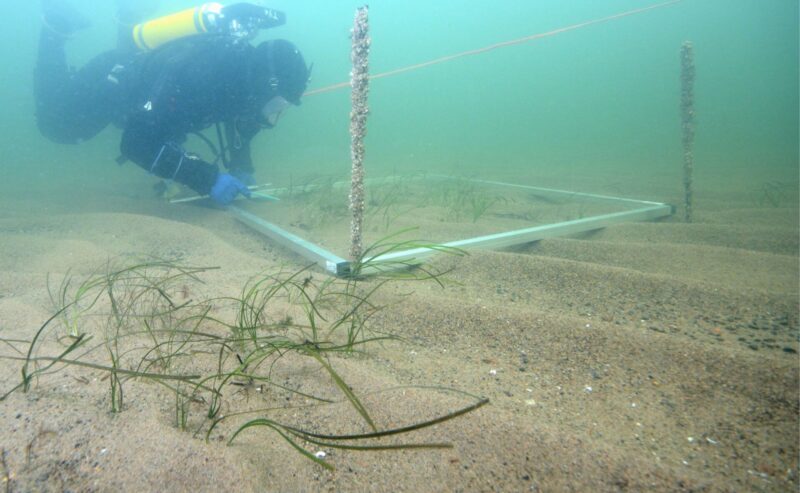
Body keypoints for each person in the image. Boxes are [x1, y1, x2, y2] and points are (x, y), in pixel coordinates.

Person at [35, 1, 310, 205]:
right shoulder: (202, 77)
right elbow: (136, 144)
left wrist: (242, 165)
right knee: (58, 127)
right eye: (277, 105)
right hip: (115, 78)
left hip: (147, 81)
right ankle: (56, 28)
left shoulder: (242, 78)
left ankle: (128, 19)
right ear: (265, 84)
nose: (275, 114)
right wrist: (207, 179)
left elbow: (240, 119)